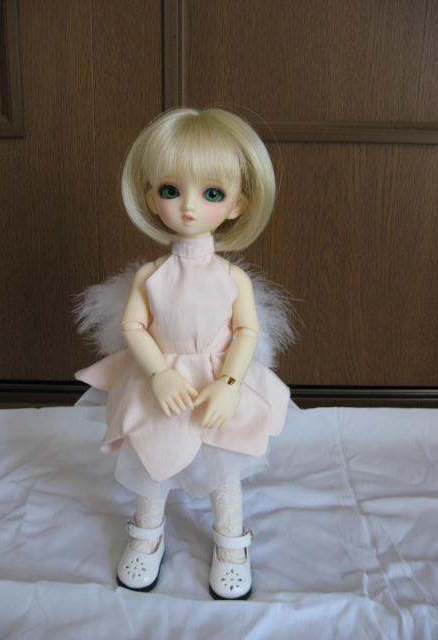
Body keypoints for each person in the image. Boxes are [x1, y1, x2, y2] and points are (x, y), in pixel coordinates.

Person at [75, 107, 292, 599]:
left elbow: (246, 332)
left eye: (212, 193)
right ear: (151, 197)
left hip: (214, 381)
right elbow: (133, 325)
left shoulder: (232, 278)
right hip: (163, 382)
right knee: (152, 459)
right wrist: (158, 373)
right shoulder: (150, 276)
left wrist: (230, 383)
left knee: (223, 467)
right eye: (172, 190)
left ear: (237, 205)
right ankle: (147, 534)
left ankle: (231, 541)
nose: (189, 207)